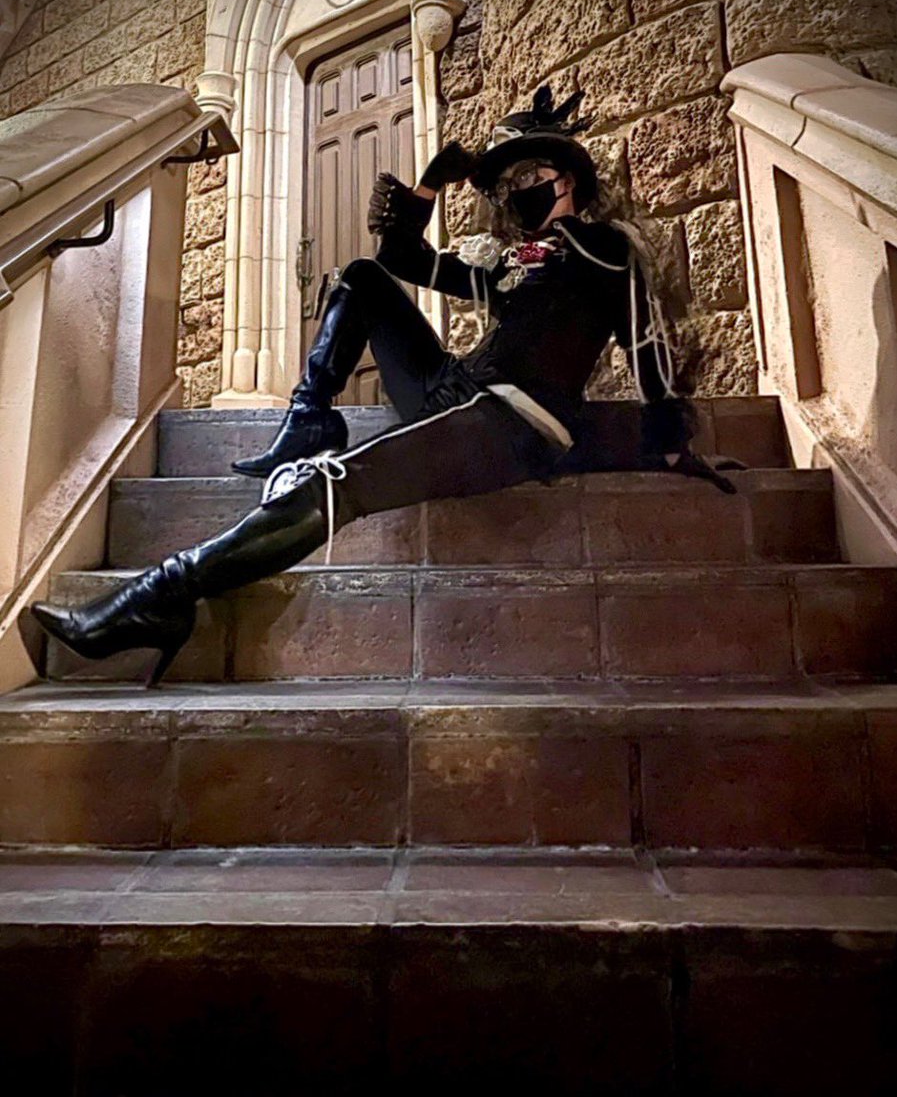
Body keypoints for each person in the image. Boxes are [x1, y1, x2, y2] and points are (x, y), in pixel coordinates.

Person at [30, 85, 736, 687]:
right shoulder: (507, 266)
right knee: (363, 279)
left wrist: (668, 439)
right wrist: (429, 183)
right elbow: (400, 258)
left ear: (568, 179)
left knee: (336, 483)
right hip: (452, 389)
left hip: (510, 421)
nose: (517, 188)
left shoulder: (602, 250)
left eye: (532, 173)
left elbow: (646, 345)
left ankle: (159, 598)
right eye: (509, 179)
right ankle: (310, 415)